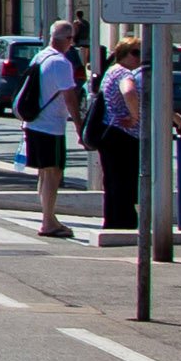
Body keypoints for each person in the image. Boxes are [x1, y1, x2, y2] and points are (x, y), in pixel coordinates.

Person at [25, 18, 83, 239]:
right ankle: (48, 221)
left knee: (44, 173)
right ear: (68, 39)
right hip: (51, 126)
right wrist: (79, 126)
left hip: (35, 122)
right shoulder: (61, 62)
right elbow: (70, 97)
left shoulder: (40, 57)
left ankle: (48, 217)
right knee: (53, 173)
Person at [92, 39, 147, 230]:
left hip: (110, 134)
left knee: (114, 182)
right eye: (135, 52)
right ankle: (123, 223)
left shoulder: (111, 71)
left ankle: (114, 221)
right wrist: (135, 116)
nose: (140, 58)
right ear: (123, 53)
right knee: (125, 182)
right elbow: (129, 91)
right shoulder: (124, 73)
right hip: (123, 134)